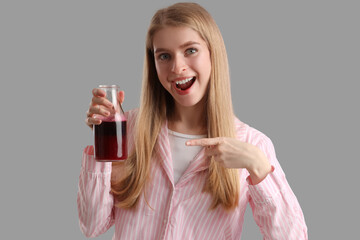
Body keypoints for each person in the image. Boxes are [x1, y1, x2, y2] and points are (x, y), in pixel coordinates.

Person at [78, 2, 308, 239]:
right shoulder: (130, 129)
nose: (177, 67)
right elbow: (91, 226)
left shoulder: (252, 143)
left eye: (190, 50)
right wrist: (103, 140)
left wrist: (259, 168)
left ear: (213, 52)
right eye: (164, 56)